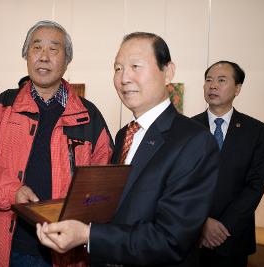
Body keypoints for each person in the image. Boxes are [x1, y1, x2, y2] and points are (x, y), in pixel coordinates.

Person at [36, 32, 220, 267]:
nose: (124, 78)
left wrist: (88, 235)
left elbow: (170, 240)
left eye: (135, 66)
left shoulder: (195, 142)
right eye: (118, 68)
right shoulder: (126, 133)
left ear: (168, 72)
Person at [0, 20, 113, 267]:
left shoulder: (88, 115)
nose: (44, 56)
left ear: (67, 60)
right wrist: (12, 191)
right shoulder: (0, 107)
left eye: (54, 49)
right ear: (26, 55)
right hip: (7, 247)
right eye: (36, 47)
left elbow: (103, 181)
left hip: (66, 249)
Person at [192, 61, 264, 267]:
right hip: (191, 235)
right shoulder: (186, 129)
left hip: (233, 236)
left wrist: (223, 226)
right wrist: (202, 222)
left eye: (221, 80)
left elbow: (255, 185)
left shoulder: (257, 132)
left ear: (238, 88)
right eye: (208, 80)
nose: (213, 85)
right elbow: (178, 183)